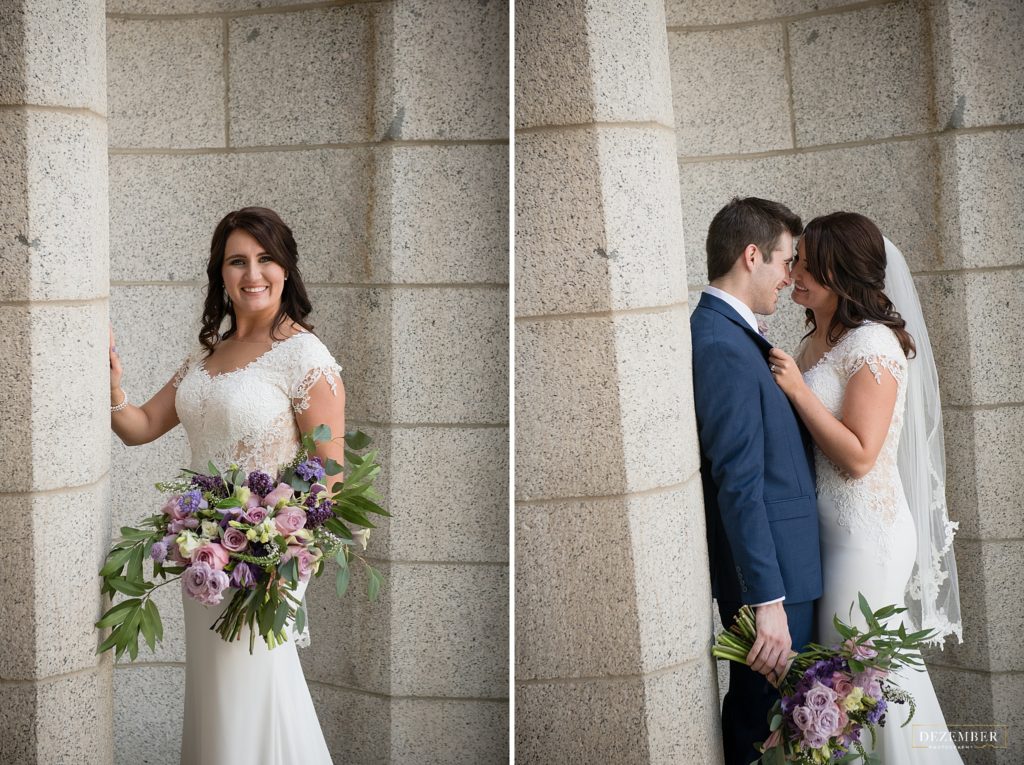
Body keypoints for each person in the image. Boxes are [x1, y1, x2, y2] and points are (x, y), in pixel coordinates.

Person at [109, 207, 342, 764]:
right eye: (238, 261)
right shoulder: (206, 355)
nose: (253, 273)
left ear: (286, 269)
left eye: (265, 259)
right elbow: (140, 427)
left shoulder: (305, 356)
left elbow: (329, 476)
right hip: (203, 559)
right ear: (221, 273)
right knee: (218, 701)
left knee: (255, 691)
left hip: (268, 561)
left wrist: (279, 549)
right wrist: (110, 386)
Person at [769, 211, 963, 763]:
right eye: (796, 262)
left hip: (866, 536)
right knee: (839, 671)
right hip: (826, 533)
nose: (793, 274)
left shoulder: (874, 344)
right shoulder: (816, 341)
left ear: (840, 273)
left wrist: (796, 391)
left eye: (806, 266)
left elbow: (858, 456)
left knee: (860, 672)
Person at [691, 197, 822, 765]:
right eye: (786, 262)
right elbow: (738, 483)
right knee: (760, 727)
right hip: (774, 586)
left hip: (790, 571)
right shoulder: (720, 345)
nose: (790, 278)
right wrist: (766, 600)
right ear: (752, 256)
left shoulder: (735, 335)